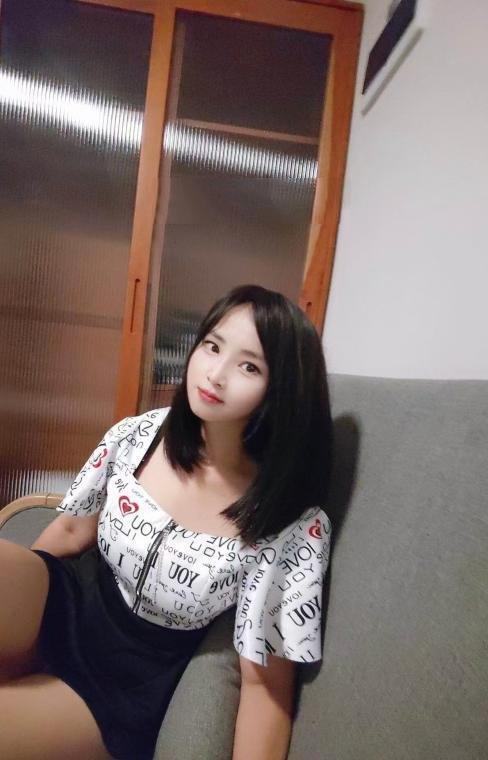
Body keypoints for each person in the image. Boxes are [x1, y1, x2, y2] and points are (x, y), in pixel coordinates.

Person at [0, 283, 333, 760]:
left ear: (281, 391)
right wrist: (18, 633)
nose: (215, 374)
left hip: (123, 685)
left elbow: (265, 688)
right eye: (212, 346)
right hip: (68, 597)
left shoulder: (288, 524)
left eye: (249, 366)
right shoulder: (142, 434)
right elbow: (72, 530)